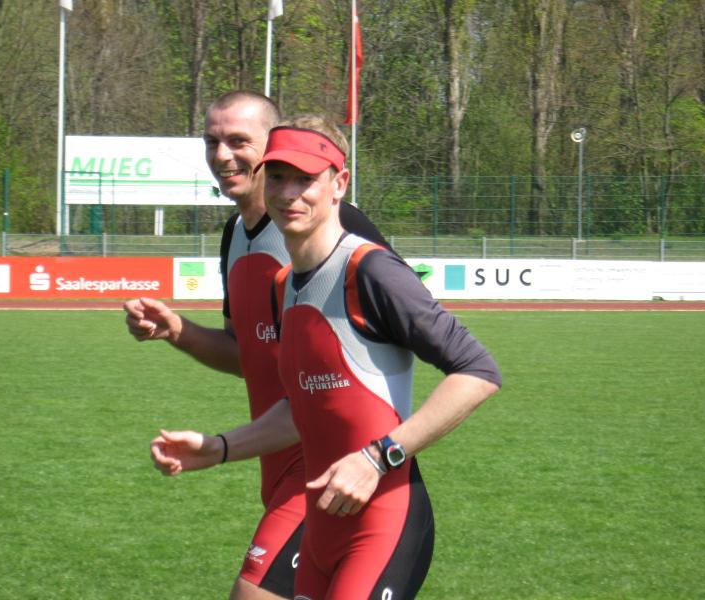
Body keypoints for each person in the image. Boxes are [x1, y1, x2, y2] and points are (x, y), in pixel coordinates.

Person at [152, 115, 502, 598]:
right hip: (321, 529)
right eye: (277, 177)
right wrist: (219, 448)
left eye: (305, 179)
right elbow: (302, 410)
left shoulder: (371, 271)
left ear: (339, 184)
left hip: (382, 523)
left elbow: (478, 371)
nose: (288, 193)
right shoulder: (284, 286)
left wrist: (379, 457)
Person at [124, 92, 389, 600]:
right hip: (275, 462)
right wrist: (176, 330)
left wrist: (375, 451)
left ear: (277, 147)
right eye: (212, 142)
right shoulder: (235, 235)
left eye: (238, 141)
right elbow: (249, 356)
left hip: (331, 468)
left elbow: (406, 327)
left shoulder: (331, 225)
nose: (222, 155)